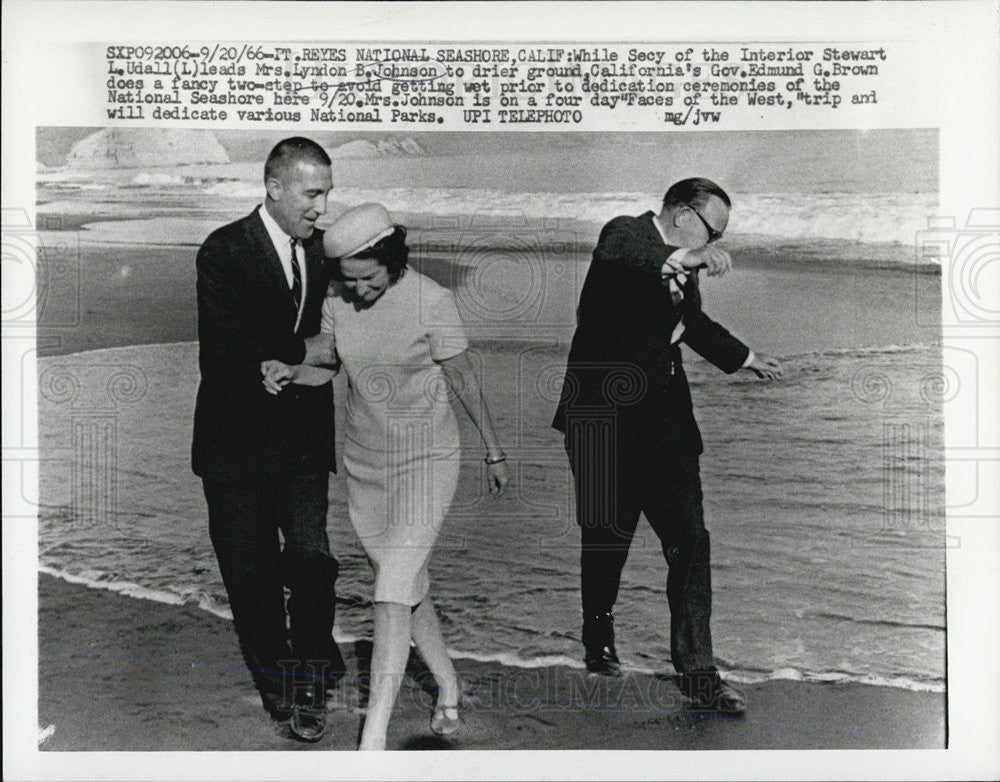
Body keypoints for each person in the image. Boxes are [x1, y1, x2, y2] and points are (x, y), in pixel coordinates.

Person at [262, 203, 510, 750]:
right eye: (347, 281)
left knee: (391, 586)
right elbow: (327, 364)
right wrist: (291, 370)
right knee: (407, 586)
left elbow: (465, 381)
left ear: (391, 260)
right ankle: (447, 684)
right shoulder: (337, 299)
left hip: (428, 460)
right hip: (365, 464)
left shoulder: (432, 302)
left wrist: (494, 451)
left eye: (367, 278)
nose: (357, 291)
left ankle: (371, 739)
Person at [552, 178, 782, 715]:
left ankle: (699, 671)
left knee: (690, 541)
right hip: (602, 421)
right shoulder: (623, 236)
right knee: (607, 537)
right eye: (714, 229)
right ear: (682, 214)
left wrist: (745, 358)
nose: (718, 240)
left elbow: (688, 323)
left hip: (666, 428)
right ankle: (598, 635)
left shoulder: (680, 266)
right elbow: (630, 255)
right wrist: (692, 255)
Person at [192, 137, 345, 742]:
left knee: (312, 560)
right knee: (251, 577)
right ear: (274, 187)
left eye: (328, 194)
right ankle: (277, 684)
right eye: (312, 194)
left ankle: (309, 678)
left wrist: (297, 357)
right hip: (234, 448)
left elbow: (339, 329)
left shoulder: (321, 252)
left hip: (304, 440)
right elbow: (224, 352)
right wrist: (298, 349)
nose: (322, 208)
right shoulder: (223, 250)